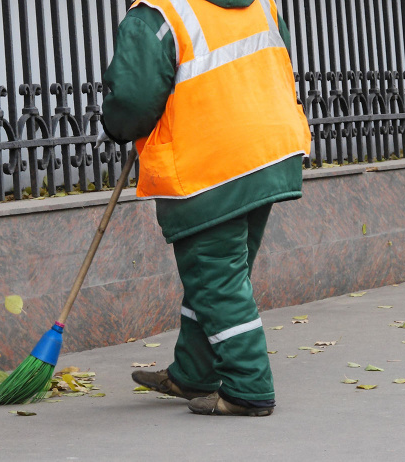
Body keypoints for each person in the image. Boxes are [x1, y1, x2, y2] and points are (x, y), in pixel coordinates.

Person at [98, 0, 311, 416]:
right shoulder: (260, 4)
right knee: (216, 275)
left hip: (208, 165)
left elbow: (133, 98)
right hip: (269, 151)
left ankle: (248, 388)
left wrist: (119, 126)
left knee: (217, 281)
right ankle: (193, 373)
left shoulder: (157, 15)